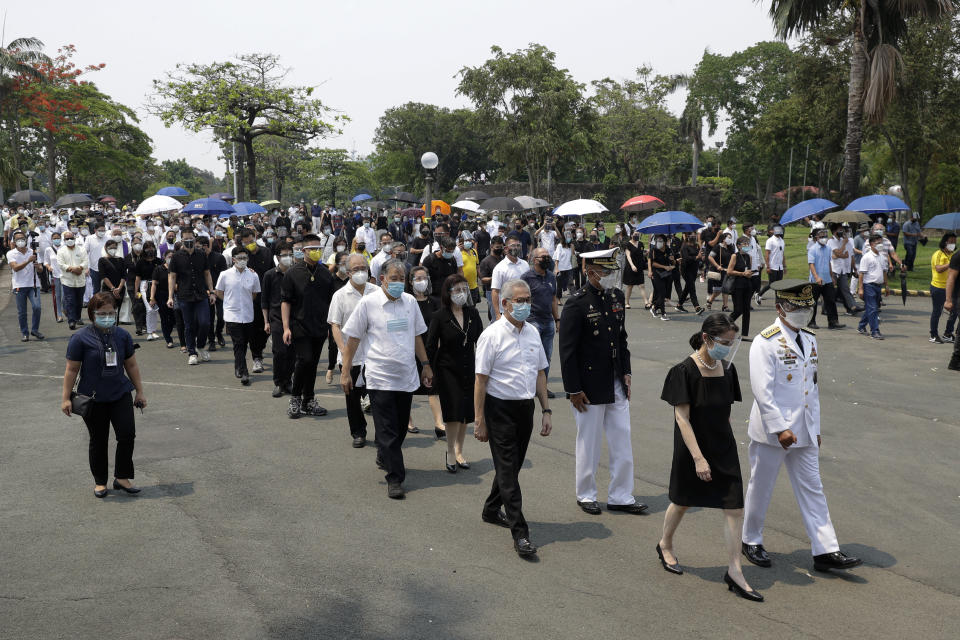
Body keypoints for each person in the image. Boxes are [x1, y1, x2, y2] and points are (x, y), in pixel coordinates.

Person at [742, 280, 863, 573]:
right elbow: (762, 391)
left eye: (807, 306)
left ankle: (825, 549)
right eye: (796, 306)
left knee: (813, 488)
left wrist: (815, 427)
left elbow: (812, 388)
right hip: (775, 432)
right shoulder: (765, 342)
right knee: (762, 486)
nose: (803, 312)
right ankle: (750, 539)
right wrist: (780, 428)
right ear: (780, 307)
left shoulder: (809, 339)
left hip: (805, 429)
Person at [659, 314, 761, 602]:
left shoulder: (728, 370)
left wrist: (722, 446)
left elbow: (725, 411)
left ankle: (735, 570)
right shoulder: (684, 371)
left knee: (734, 509)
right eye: (724, 342)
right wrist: (699, 459)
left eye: (732, 343)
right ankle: (665, 543)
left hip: (723, 447)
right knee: (682, 501)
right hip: (693, 448)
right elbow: (682, 418)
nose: (727, 348)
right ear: (706, 338)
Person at [558, 248, 646, 516]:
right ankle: (586, 494)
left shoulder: (615, 297)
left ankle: (621, 495)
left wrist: (627, 372)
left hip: (615, 380)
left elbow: (622, 339)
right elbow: (567, 351)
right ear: (590, 271)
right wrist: (573, 389)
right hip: (588, 385)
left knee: (622, 439)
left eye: (611, 271)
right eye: (605, 271)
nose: (609, 276)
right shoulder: (577, 303)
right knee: (589, 442)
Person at [341, 259, 433, 499]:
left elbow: (416, 336)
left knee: (401, 427)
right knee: (387, 428)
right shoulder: (368, 304)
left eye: (401, 279)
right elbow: (352, 339)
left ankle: (385, 454)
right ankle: (395, 477)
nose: (398, 283)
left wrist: (425, 365)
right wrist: (345, 370)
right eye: (393, 279)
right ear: (382, 279)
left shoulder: (410, 302)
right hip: (379, 376)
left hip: (405, 376)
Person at [474, 278, 552, 557]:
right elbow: (480, 381)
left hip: (524, 409)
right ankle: (520, 533)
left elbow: (540, 373)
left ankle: (491, 508)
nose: (525, 305)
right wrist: (479, 419)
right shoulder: (492, 335)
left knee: (512, 467)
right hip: (499, 410)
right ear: (504, 303)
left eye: (528, 300)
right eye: (519, 301)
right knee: (508, 471)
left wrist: (546, 410)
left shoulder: (532, 332)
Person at [60, 292, 147, 498]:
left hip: (120, 394)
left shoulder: (123, 336)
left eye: (110, 313)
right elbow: (71, 370)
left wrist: (140, 392)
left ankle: (122, 477)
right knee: (98, 440)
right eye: (101, 313)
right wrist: (65, 398)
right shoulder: (80, 338)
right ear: (92, 314)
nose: (107, 316)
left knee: (127, 434)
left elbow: (131, 365)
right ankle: (100, 482)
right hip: (93, 398)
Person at [424, 274, 483, 472]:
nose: (461, 293)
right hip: (447, 369)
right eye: (457, 290)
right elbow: (431, 346)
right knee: (453, 412)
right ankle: (450, 451)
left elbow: (481, 342)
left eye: (464, 289)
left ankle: (459, 450)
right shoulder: (440, 316)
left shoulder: (473, 313)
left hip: (469, 367)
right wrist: (428, 369)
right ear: (448, 293)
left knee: (466, 412)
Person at [328, 253, 379, 447]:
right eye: (356, 269)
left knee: (378, 397)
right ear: (348, 272)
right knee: (353, 396)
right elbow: (335, 325)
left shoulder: (376, 291)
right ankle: (358, 432)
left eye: (363, 268)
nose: (360, 272)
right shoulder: (340, 295)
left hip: (375, 354)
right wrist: (343, 350)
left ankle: (382, 433)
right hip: (352, 357)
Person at [281, 235, 335, 418]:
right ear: (303, 251)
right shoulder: (292, 273)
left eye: (319, 248)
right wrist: (286, 327)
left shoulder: (326, 273)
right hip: (299, 326)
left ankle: (308, 400)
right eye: (312, 248)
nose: (316, 252)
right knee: (304, 360)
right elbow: (286, 302)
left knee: (312, 364)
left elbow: (331, 302)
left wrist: (331, 326)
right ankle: (295, 399)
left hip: (319, 326)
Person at [167, 228, 216, 365]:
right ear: (181, 240)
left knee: (205, 322)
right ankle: (192, 352)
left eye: (191, 240)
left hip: (201, 294)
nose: (189, 242)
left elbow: (207, 274)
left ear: (195, 239)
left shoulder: (201, 254)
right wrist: (170, 296)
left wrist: (211, 292)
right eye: (186, 240)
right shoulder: (176, 257)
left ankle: (200, 345)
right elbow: (172, 277)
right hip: (184, 295)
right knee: (188, 326)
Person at [214, 246, 262, 386]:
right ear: (233, 259)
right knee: (239, 342)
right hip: (232, 314)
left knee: (243, 343)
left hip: (247, 314)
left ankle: (238, 365)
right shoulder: (225, 274)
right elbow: (219, 291)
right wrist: (229, 302)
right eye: (240, 258)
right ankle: (244, 371)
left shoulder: (253, 275)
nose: (242, 261)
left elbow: (254, 293)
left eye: (245, 258)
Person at [521, 248, 560, 397]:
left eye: (548, 256)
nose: (547, 259)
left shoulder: (551, 277)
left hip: (548, 322)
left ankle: (543, 387)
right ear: (534, 259)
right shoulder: (526, 278)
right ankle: (529, 386)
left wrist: (557, 319)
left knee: (546, 357)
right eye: (543, 257)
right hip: (532, 322)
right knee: (531, 357)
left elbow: (553, 300)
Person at [261, 243, 296, 397]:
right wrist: (266, 321)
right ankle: (278, 382)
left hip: (295, 317)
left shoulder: (296, 273)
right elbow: (264, 300)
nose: (287, 257)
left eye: (290, 254)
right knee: (279, 351)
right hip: (276, 317)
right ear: (277, 257)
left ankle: (288, 381)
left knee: (292, 352)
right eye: (284, 255)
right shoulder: (270, 275)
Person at [7, 230, 44, 341]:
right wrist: (28, 261)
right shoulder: (11, 253)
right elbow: (15, 268)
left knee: (37, 307)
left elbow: (41, 270)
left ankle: (35, 330)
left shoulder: (33, 252)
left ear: (26, 240)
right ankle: (25, 333)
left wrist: (38, 267)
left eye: (22, 239)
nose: (21, 241)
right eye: (18, 239)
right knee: (22, 311)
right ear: (14, 241)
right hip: (19, 285)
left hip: (33, 284)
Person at [807, 229, 844, 330]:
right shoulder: (812, 249)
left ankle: (833, 322)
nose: (824, 238)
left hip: (827, 279)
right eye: (821, 236)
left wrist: (832, 277)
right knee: (813, 302)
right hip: (816, 281)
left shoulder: (828, 248)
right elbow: (811, 264)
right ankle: (811, 321)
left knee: (831, 301)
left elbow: (829, 263)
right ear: (816, 238)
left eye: (825, 236)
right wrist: (816, 277)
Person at [857, 232, 889, 340]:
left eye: (881, 242)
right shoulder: (867, 257)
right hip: (869, 286)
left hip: (878, 286)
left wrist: (887, 286)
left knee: (871, 308)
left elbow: (884, 272)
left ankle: (861, 326)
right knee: (873, 309)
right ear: (871, 244)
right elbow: (861, 274)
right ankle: (875, 331)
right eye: (877, 242)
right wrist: (860, 288)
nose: (880, 244)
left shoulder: (882, 257)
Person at [490, 236, 530, 320]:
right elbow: (495, 292)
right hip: (506, 310)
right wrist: (497, 314)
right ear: (506, 249)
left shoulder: (525, 264)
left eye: (518, 245)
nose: (516, 248)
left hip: (524, 309)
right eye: (513, 245)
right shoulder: (499, 268)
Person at [57, 230, 89, 330]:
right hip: (67, 280)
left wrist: (79, 268)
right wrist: (72, 269)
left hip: (80, 280)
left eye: (71, 238)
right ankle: (71, 321)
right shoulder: (61, 251)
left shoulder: (81, 249)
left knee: (79, 301)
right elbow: (61, 264)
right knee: (70, 301)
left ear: (75, 238)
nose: (70, 240)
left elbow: (85, 262)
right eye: (67, 239)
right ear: (64, 240)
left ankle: (78, 317)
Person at [929, 233, 957, 344]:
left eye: (954, 242)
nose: (953, 244)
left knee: (954, 311)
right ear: (945, 242)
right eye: (951, 242)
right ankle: (933, 334)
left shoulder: (953, 255)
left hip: (951, 288)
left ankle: (948, 333)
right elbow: (938, 269)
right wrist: (950, 264)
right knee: (937, 311)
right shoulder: (938, 254)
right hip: (938, 287)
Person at [827, 224, 860, 316]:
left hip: (842, 269)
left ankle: (853, 306)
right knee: (830, 290)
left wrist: (842, 251)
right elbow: (839, 253)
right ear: (834, 231)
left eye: (842, 230)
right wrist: (843, 246)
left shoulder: (842, 240)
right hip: (834, 269)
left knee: (845, 288)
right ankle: (826, 308)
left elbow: (847, 254)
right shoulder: (831, 241)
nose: (842, 232)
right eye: (840, 230)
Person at [726, 236, 755, 340]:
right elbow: (729, 271)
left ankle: (744, 334)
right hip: (737, 285)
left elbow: (749, 270)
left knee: (747, 310)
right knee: (738, 310)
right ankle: (724, 325)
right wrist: (742, 273)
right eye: (745, 244)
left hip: (747, 285)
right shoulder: (735, 256)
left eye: (748, 244)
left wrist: (750, 273)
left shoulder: (748, 257)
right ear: (738, 246)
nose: (747, 246)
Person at [422, 237, 461, 307]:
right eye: (448, 251)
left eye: (452, 251)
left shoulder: (452, 260)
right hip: (433, 297)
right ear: (441, 247)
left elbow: (455, 277)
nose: (450, 253)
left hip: (449, 297)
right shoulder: (429, 260)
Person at [150, 250, 176, 348]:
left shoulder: (176, 268)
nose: (171, 258)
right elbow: (154, 284)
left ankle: (169, 332)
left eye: (173, 257)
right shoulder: (158, 269)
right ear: (164, 257)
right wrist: (152, 298)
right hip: (162, 295)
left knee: (174, 318)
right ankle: (168, 339)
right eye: (169, 256)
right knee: (164, 318)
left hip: (175, 295)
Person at [649, 234, 675, 320]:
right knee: (662, 292)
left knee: (663, 294)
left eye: (660, 241)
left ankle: (654, 308)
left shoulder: (668, 249)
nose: (658, 242)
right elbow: (653, 263)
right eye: (657, 241)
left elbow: (672, 262)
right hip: (656, 273)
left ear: (664, 242)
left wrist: (672, 261)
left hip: (666, 274)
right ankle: (663, 314)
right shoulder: (654, 250)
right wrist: (664, 267)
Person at [478, 236, 504, 322]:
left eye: (501, 247)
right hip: (491, 291)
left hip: (504, 291)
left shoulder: (503, 259)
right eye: (497, 247)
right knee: (495, 318)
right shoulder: (486, 261)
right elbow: (483, 279)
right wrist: (494, 278)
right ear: (491, 247)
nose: (499, 249)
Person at [622, 232, 647, 310]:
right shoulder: (627, 245)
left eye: (638, 234)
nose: (636, 236)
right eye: (635, 234)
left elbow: (642, 254)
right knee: (630, 286)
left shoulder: (641, 244)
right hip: (631, 267)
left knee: (641, 285)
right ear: (631, 235)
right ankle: (627, 302)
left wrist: (646, 253)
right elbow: (628, 256)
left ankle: (646, 302)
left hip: (639, 267)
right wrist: (632, 265)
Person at [759, 225, 785, 300]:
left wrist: (784, 266)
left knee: (779, 284)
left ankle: (778, 300)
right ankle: (759, 294)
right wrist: (768, 266)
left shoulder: (782, 241)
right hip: (772, 265)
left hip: (780, 266)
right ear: (773, 231)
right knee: (772, 284)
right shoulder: (770, 241)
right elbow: (767, 254)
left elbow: (782, 254)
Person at [44, 231, 65, 323]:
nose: (56, 239)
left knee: (65, 296)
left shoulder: (64, 248)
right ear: (52, 239)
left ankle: (66, 310)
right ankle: (59, 314)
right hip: (55, 275)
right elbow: (46, 261)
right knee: (58, 295)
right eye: (54, 238)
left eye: (58, 238)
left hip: (65, 275)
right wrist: (48, 267)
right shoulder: (48, 249)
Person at [945, 249, 960, 369]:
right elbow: (951, 278)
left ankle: (955, 361)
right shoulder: (958, 256)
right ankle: (956, 360)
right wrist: (948, 300)